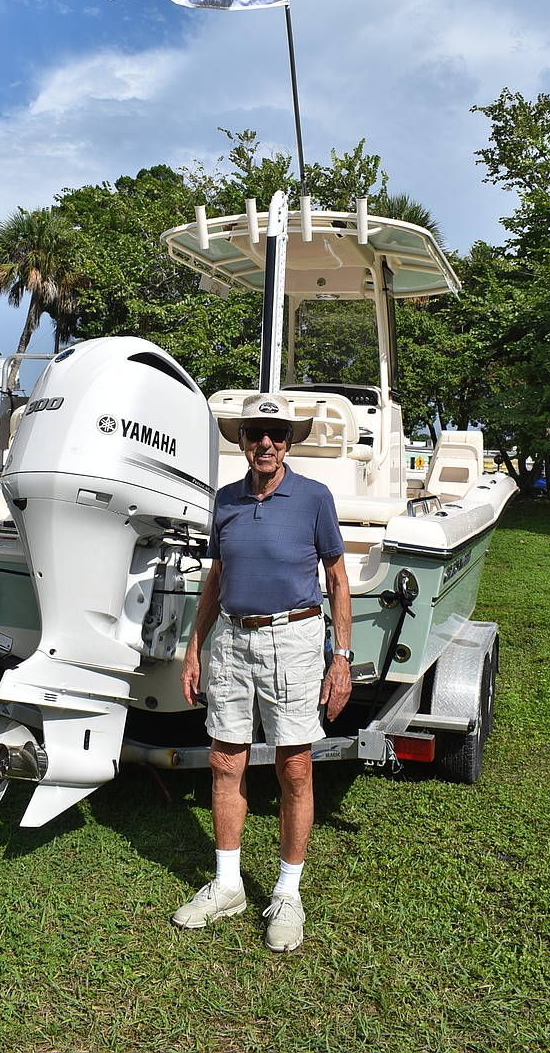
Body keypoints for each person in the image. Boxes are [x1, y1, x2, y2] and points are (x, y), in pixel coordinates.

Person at [172, 393, 353, 952]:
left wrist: (341, 658)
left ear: (289, 442)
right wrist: (194, 647)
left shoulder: (314, 498)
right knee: (225, 760)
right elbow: (216, 577)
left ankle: (288, 893)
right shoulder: (225, 500)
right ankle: (228, 885)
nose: (265, 443)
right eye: (255, 434)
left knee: (294, 767)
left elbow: (337, 579)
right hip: (231, 638)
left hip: (294, 641)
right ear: (242, 441)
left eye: (275, 434)